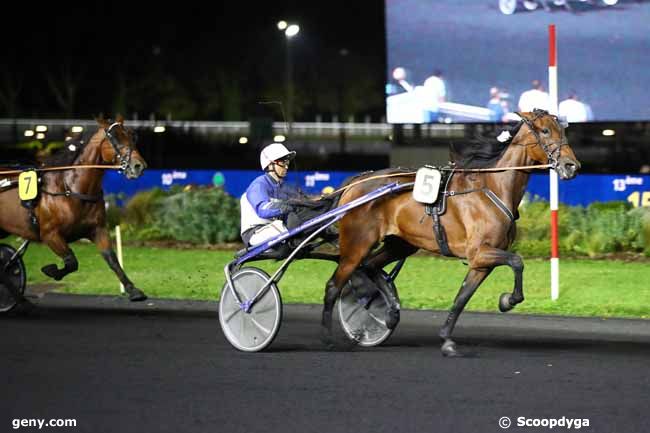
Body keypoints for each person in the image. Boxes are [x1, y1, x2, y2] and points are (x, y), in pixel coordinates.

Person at [240, 142, 302, 246]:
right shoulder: (259, 185)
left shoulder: (285, 187)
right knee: (291, 224)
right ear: (270, 164)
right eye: (282, 163)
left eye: (287, 163)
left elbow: (302, 201)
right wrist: (288, 206)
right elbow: (263, 210)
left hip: (273, 228)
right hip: (254, 233)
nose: (286, 167)